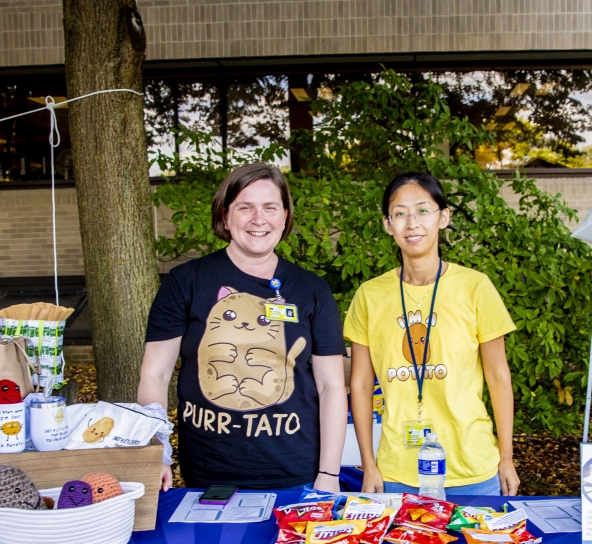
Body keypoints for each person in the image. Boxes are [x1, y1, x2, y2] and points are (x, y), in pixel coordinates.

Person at [138, 162, 347, 492]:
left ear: (285, 216)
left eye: (270, 207)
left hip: (297, 474)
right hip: (208, 475)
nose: (258, 219)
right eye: (245, 207)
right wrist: (156, 452)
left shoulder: (311, 289)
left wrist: (329, 474)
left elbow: (331, 385)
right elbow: (155, 375)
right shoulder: (186, 282)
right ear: (225, 216)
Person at [343, 172, 519, 497]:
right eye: (400, 213)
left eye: (423, 210)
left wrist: (506, 458)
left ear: (444, 217)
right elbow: (361, 384)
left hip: (472, 469)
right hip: (397, 471)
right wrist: (369, 464)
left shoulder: (475, 287)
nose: (412, 223)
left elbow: (498, 377)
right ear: (387, 224)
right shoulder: (370, 295)